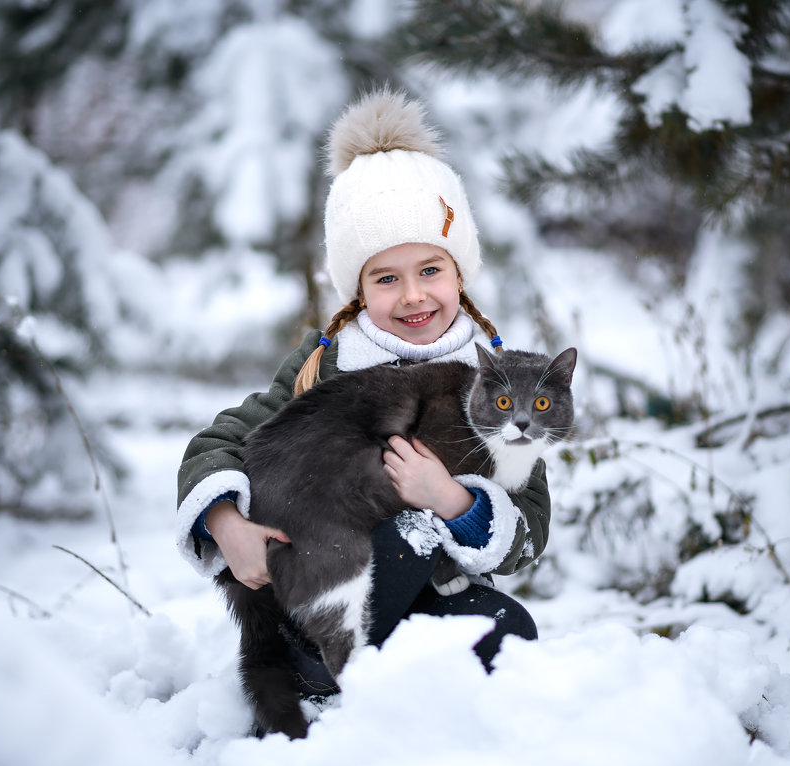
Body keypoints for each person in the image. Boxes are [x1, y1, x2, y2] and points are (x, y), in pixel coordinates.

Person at [176, 87, 551, 696]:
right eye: (386, 277)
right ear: (357, 288)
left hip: (424, 597)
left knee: (511, 631)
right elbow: (220, 441)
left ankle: (407, 692)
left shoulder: (498, 385)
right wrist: (225, 523)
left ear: (461, 271)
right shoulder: (327, 363)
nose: (412, 296)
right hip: (324, 584)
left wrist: (454, 501)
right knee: (404, 536)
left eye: (431, 269)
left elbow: (529, 520)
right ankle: (315, 668)